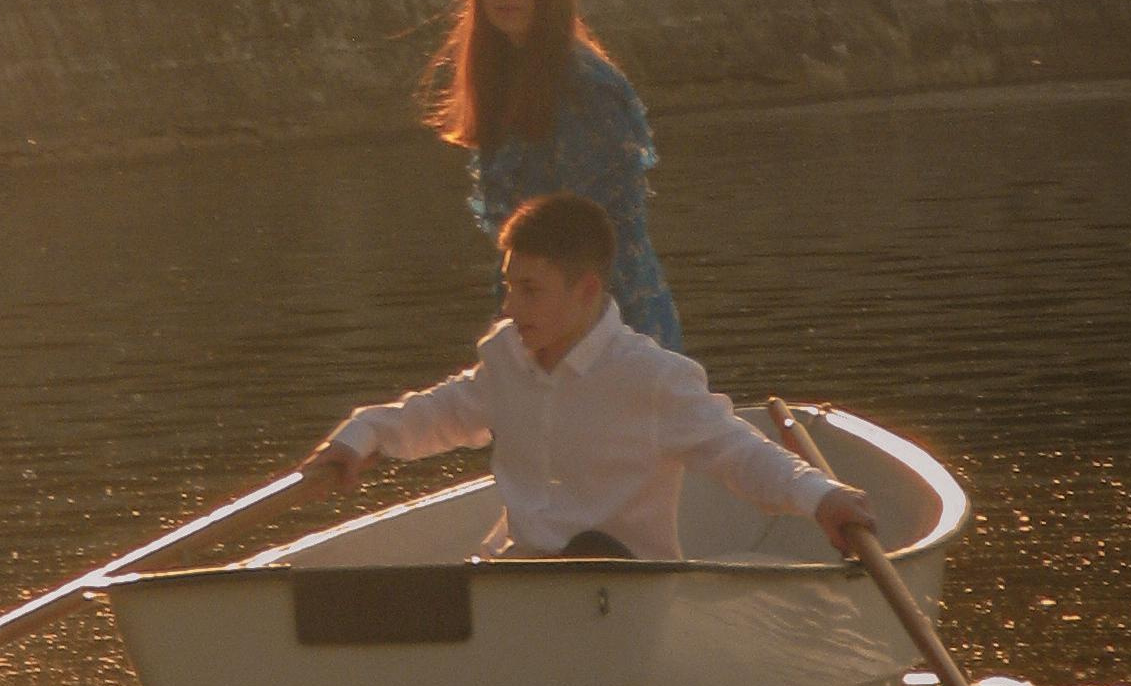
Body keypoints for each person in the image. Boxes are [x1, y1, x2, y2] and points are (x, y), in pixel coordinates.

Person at [305, 192, 875, 564]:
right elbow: (436, 414)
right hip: (523, 580)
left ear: (585, 291)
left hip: (625, 592)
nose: (512, 307)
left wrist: (822, 498)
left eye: (531, 291)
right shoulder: (506, 358)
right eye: (510, 287)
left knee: (593, 557)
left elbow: (739, 452)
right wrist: (360, 438)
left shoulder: (651, 377)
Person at [429, 0, 684, 350]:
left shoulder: (586, 86)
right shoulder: (504, 78)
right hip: (541, 316)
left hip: (608, 326)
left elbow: (596, 237)